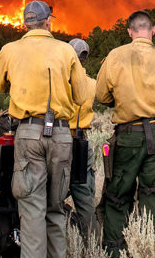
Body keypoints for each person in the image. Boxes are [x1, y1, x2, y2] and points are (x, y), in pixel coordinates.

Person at [0, 0, 89, 258]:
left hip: (28, 132)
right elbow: (81, 96)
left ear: (26, 23)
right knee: (56, 208)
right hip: (60, 134)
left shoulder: (9, 49)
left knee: (32, 210)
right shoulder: (66, 51)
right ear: (48, 21)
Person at [94, 10, 155, 257]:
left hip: (126, 135)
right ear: (153, 31)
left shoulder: (114, 57)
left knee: (116, 197)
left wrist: (123, 100)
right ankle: (147, 249)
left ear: (130, 32)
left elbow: (101, 96)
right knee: (153, 196)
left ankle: (114, 251)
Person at [66, 37, 97, 244]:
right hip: (82, 142)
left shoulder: (60, 82)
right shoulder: (93, 84)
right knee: (85, 199)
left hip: (59, 140)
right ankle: (92, 242)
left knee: (51, 197)